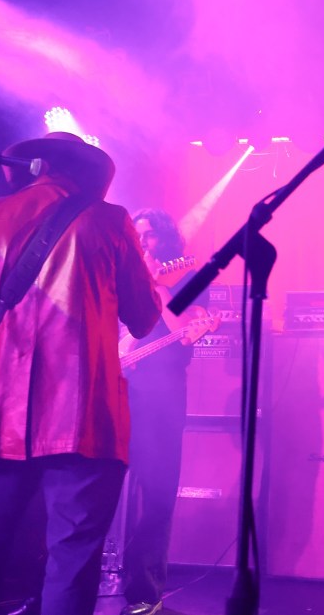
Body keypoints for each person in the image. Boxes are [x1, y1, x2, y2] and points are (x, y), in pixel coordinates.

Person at [0, 132, 162, 615]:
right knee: (71, 563)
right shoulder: (108, 220)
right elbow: (144, 317)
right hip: (80, 421)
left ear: (33, 168)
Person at [118, 209, 207, 615]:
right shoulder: (121, 274)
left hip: (162, 396)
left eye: (150, 235)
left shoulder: (189, 278)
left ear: (166, 240)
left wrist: (157, 287)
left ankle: (143, 594)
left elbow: (183, 333)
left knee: (157, 492)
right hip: (115, 390)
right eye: (137, 235)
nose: (142, 243)